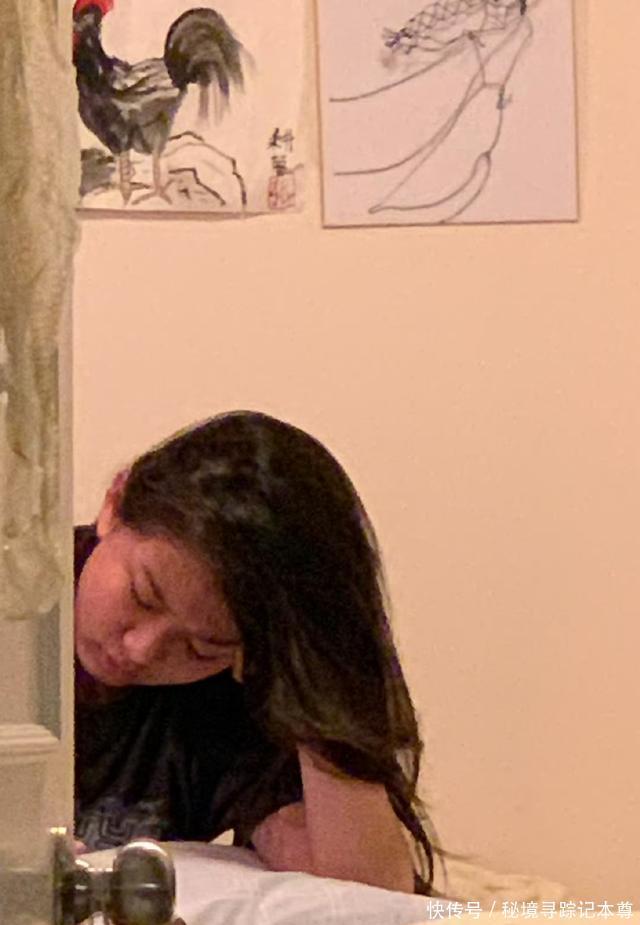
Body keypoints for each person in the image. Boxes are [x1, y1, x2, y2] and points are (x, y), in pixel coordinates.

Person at [74, 410, 438, 893]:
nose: (141, 650)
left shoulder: (223, 697)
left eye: (201, 647)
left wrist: (317, 669)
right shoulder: (19, 594)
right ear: (115, 504)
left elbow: (367, 894)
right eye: (144, 595)